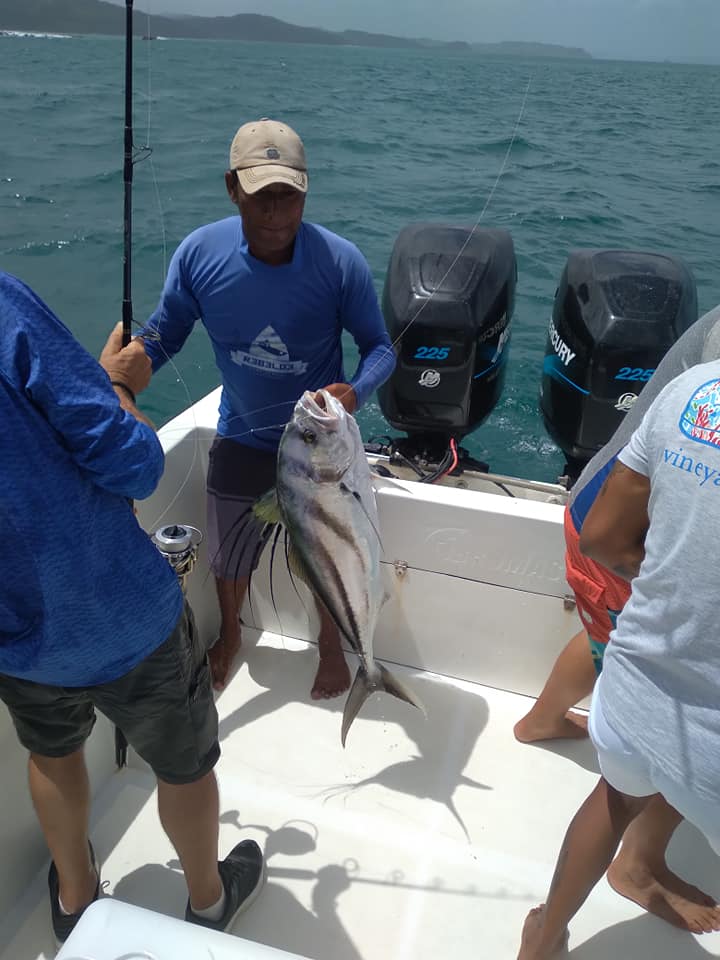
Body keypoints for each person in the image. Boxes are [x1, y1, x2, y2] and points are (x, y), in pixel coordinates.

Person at [0, 272, 265, 945]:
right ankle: (209, 899)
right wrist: (116, 385)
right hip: (122, 613)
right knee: (185, 763)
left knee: (54, 753)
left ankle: (73, 896)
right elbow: (136, 466)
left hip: (18, 637)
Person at [139, 117, 396, 698]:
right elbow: (163, 335)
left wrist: (355, 391)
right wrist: (121, 378)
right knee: (229, 555)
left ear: (306, 190)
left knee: (325, 554)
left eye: (289, 195)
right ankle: (231, 636)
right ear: (233, 188)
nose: (276, 212)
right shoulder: (199, 255)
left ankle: (333, 645)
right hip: (243, 435)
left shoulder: (339, 261)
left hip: (318, 451)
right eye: (262, 196)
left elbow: (380, 348)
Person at [514, 305, 720, 932]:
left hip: (619, 503)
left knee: (614, 640)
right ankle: (639, 865)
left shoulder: (695, 388)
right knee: (626, 649)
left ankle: (543, 720)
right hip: (631, 520)